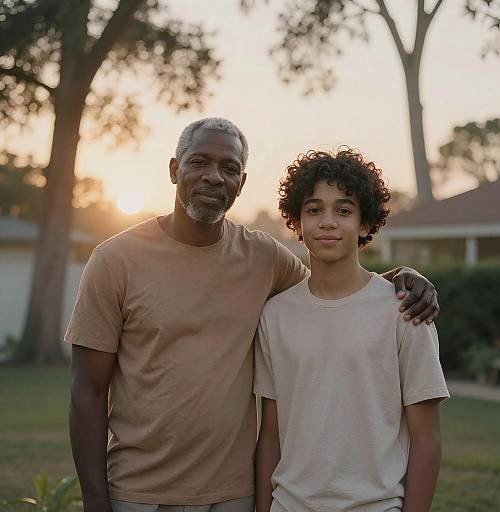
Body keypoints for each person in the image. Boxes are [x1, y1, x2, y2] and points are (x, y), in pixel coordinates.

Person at [67, 118, 440, 512]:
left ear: (241, 183)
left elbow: (334, 294)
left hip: (235, 493)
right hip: (137, 493)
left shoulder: (264, 258)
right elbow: (86, 392)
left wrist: (401, 279)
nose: (214, 177)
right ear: (175, 169)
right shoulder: (114, 260)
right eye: (199, 163)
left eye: (229, 168)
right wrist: (95, 502)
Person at [254, 147, 450, 512]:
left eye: (343, 210)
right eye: (314, 210)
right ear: (296, 223)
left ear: (364, 224)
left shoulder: (404, 310)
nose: (328, 221)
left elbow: (427, 438)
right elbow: (271, 435)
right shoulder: (275, 315)